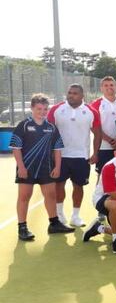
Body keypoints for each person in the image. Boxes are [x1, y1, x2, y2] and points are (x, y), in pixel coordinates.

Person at [12, 94, 71, 241]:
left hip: (46, 168)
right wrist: (21, 167)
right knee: (24, 197)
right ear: (32, 108)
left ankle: (54, 223)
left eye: (45, 109)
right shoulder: (24, 125)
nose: (42, 112)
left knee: (51, 195)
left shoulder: (51, 127)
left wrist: (57, 167)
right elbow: (16, 148)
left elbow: (57, 150)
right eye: (39, 109)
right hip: (27, 168)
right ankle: (22, 227)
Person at [48, 84, 101, 227]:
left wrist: (95, 153)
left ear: (82, 95)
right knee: (59, 185)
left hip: (81, 156)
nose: (71, 95)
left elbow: (97, 133)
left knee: (79, 186)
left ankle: (76, 216)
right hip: (60, 156)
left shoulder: (91, 111)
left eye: (75, 93)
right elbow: (48, 133)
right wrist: (51, 153)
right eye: (69, 93)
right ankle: (59, 215)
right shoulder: (56, 110)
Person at [90, 76, 116, 173]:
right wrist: (110, 140)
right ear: (101, 88)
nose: (109, 87)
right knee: (102, 176)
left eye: (111, 85)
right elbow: (93, 127)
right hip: (103, 147)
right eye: (106, 85)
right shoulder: (96, 104)